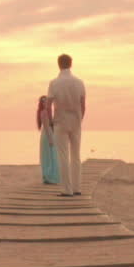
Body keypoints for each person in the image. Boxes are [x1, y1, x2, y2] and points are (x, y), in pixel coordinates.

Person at [46, 53, 86, 197]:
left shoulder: (54, 83)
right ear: (71, 64)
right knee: (76, 156)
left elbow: (48, 105)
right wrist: (79, 120)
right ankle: (77, 188)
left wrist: (50, 122)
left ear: (59, 64)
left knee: (63, 156)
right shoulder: (79, 82)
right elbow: (83, 105)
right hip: (75, 121)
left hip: (60, 121)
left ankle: (66, 190)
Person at [36, 95, 60, 185]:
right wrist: (51, 139)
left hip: (46, 135)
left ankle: (48, 176)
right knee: (51, 156)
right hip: (47, 135)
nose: (45, 102)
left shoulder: (44, 112)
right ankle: (50, 177)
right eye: (43, 101)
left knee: (48, 156)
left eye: (46, 101)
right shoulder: (44, 112)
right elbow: (46, 127)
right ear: (41, 103)